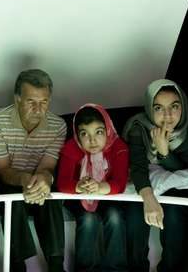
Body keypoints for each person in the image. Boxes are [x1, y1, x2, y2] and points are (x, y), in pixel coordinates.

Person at [0, 68, 66, 272]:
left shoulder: (58, 126)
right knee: (12, 197)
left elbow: (47, 167)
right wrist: (27, 181)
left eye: (44, 102)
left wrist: (44, 181)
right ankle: (17, 265)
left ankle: (56, 265)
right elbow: (2, 170)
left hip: (36, 182)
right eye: (31, 102)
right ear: (17, 98)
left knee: (51, 195)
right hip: (9, 182)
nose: (38, 109)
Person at [123, 79, 188, 272]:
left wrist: (164, 152)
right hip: (144, 181)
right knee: (135, 215)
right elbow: (138, 166)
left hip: (178, 184)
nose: (167, 115)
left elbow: (183, 165)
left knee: (175, 214)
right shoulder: (139, 126)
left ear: (183, 106)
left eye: (174, 106)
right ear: (150, 109)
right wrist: (149, 199)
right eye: (159, 108)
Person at [57, 104, 129, 271]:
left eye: (99, 132)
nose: (92, 140)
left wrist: (99, 187)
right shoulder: (71, 147)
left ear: (108, 129)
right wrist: (80, 186)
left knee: (115, 216)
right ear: (77, 135)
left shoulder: (119, 147)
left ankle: (116, 269)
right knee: (89, 220)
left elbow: (120, 183)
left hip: (108, 194)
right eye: (84, 134)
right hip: (80, 197)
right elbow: (62, 183)